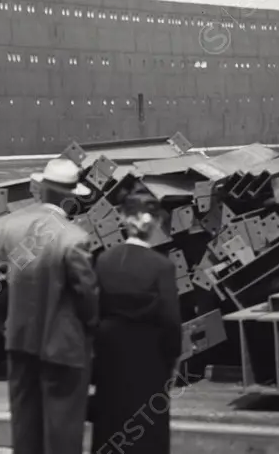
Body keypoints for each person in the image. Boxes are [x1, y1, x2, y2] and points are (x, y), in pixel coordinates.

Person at [0, 157, 99, 454]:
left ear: (41, 189)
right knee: (63, 435)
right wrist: (89, 332)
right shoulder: (74, 238)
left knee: (25, 431)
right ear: (70, 197)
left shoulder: (11, 228)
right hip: (63, 351)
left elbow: (2, 282)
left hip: (19, 345)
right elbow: (87, 297)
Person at [90, 187, 183, 454]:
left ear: (123, 219)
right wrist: (171, 361)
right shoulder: (161, 266)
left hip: (111, 360)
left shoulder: (105, 261)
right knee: (146, 435)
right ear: (153, 223)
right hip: (150, 362)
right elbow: (170, 321)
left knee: (110, 426)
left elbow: (94, 313)